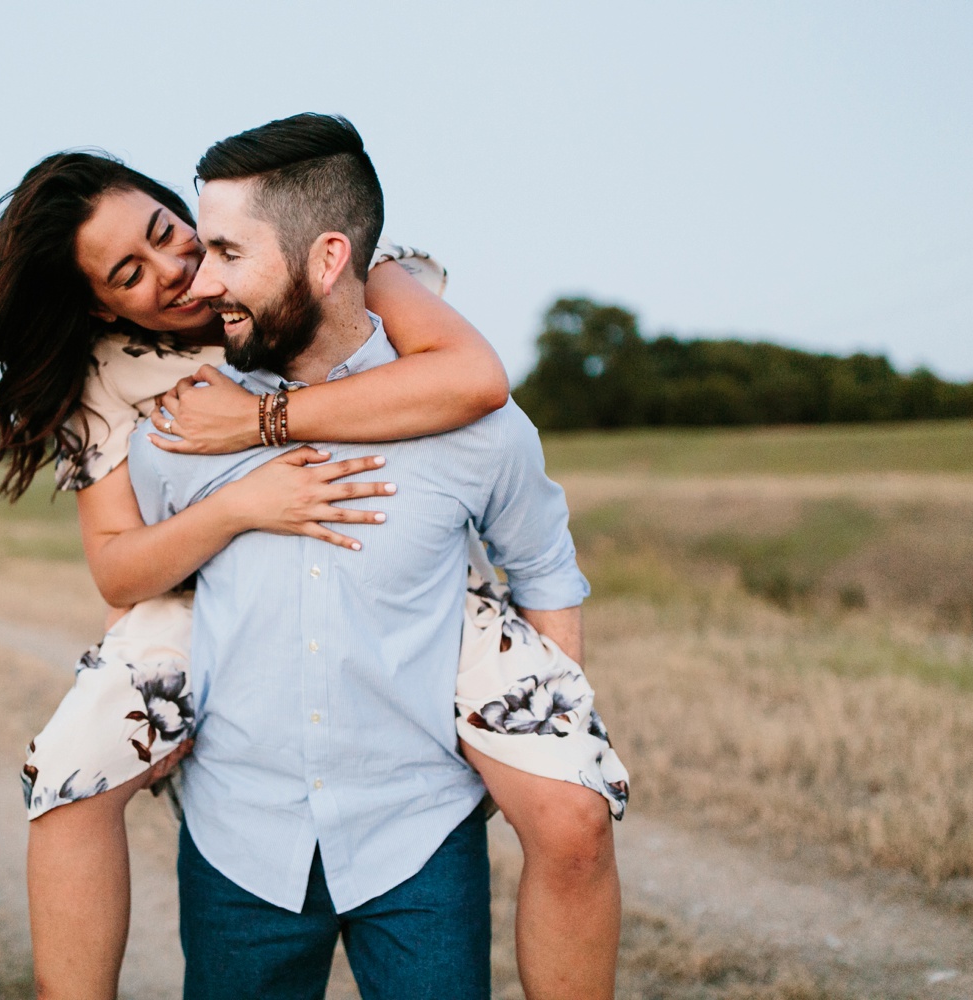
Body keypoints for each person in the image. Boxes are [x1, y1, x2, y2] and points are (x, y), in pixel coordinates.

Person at [126, 114, 625, 1000]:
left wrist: (539, 739)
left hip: (419, 841)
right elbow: (156, 581)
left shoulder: (477, 430)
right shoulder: (180, 430)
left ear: (326, 259)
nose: (202, 283)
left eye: (230, 254)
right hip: (238, 841)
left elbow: (544, 568)